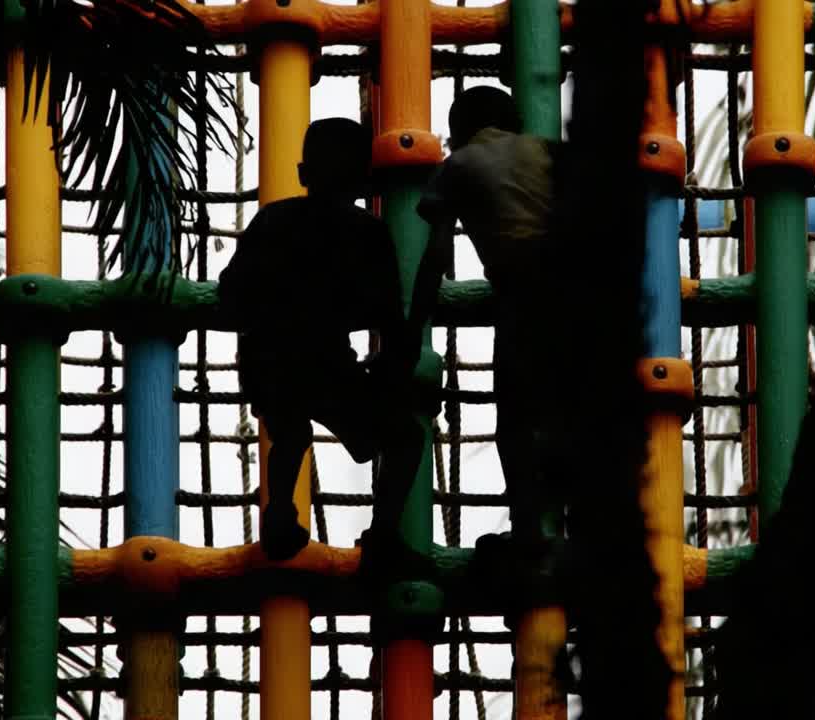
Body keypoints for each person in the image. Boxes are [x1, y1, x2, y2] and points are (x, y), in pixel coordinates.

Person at [218, 117, 423, 564]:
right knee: (403, 436)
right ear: (363, 179)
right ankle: (383, 534)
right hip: (328, 361)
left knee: (289, 430)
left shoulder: (273, 219)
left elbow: (231, 294)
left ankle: (279, 508)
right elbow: (388, 314)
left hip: (268, 359)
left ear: (302, 174)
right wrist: (393, 372)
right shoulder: (367, 233)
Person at [414, 86, 565, 560]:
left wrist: (412, 322)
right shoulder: (549, 151)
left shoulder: (459, 165)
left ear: (457, 132)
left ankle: (527, 533)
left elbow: (437, 251)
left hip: (523, 292)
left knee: (516, 420)